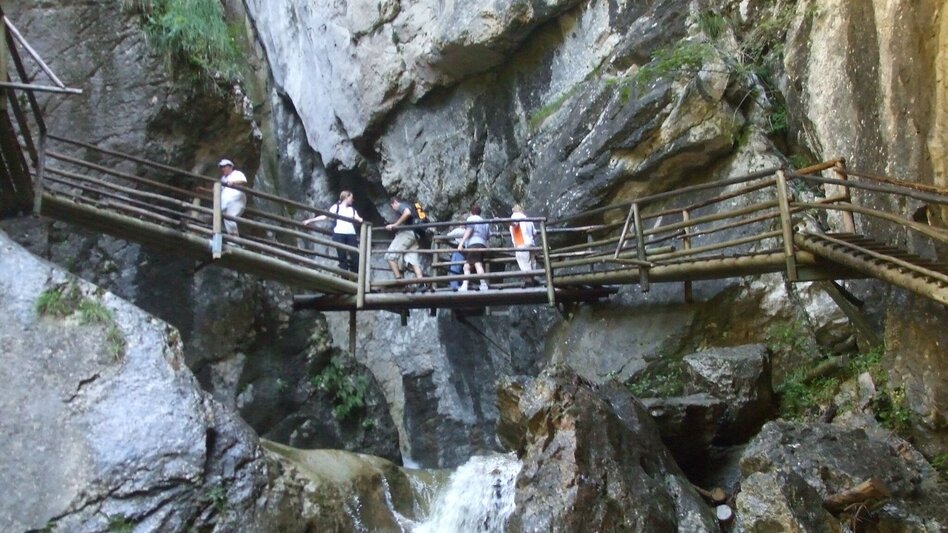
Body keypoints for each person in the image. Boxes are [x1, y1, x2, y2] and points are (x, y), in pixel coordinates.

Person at [303, 190, 363, 273]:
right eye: (351, 198)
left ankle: (356, 277)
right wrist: (310, 220)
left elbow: (358, 218)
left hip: (351, 234)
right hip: (339, 234)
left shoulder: (352, 210)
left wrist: (360, 219)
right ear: (346, 197)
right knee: (342, 257)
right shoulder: (336, 207)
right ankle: (345, 279)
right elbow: (325, 216)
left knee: (356, 257)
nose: (352, 200)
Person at [385, 196, 425, 288]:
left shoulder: (402, 205)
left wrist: (395, 225)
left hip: (408, 233)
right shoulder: (412, 205)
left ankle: (400, 282)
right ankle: (421, 282)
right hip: (416, 236)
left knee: (390, 256)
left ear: (394, 203)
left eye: (392, 207)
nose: (394, 209)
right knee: (411, 259)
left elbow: (407, 213)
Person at [457, 204, 490, 292]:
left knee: (477, 264)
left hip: (474, 244)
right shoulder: (485, 222)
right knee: (467, 266)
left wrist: (462, 243)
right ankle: (465, 285)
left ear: (471, 212)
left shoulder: (471, 219)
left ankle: (483, 284)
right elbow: (488, 236)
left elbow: (469, 230)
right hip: (482, 244)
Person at [217, 159, 248, 235]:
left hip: (236, 201)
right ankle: (233, 241)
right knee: (227, 219)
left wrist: (233, 183)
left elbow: (243, 182)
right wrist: (204, 190)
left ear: (231, 167)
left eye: (224, 166)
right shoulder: (223, 178)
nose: (223, 169)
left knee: (230, 217)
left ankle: (234, 243)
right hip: (226, 203)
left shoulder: (237, 173)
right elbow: (218, 190)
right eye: (221, 167)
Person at [509, 204, 537, 285]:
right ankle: (534, 280)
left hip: (521, 243)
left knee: (524, 263)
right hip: (531, 243)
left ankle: (529, 282)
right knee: (532, 263)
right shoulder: (527, 219)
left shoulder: (515, 216)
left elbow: (514, 224)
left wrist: (506, 222)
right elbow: (535, 233)